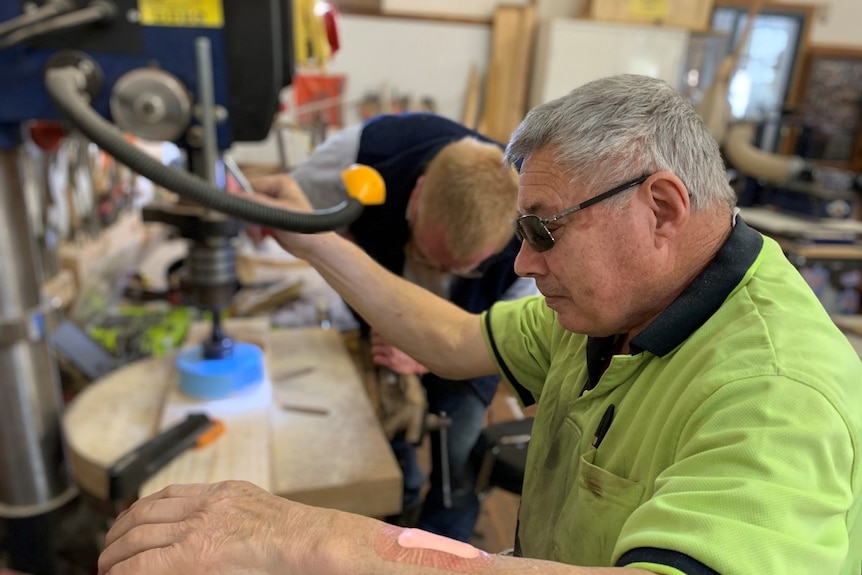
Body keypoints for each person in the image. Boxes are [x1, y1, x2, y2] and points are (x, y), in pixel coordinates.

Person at [97, 74, 862, 575]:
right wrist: (313, 236)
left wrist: (310, 538)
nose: (523, 263)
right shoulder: (616, 307)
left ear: (661, 207)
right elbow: (457, 340)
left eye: (545, 231)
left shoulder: (776, 390)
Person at [256, 112, 537, 542]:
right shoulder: (366, 150)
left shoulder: (534, 231)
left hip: (473, 334)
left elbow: (505, 344)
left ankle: (444, 546)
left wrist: (428, 353)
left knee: (456, 463)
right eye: (428, 257)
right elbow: (303, 217)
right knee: (382, 441)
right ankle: (393, 516)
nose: (438, 275)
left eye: (459, 270)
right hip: (376, 329)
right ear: (418, 192)